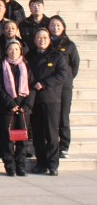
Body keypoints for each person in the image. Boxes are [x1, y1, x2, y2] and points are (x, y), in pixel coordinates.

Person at [28, 28, 69, 176]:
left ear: (49, 39)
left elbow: (62, 74)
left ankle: (53, 164)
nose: (42, 40)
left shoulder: (57, 56)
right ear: (34, 40)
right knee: (38, 134)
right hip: (34, 99)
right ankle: (41, 163)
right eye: (39, 37)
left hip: (51, 99)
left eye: (45, 37)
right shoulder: (29, 55)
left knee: (51, 133)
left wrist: (45, 83)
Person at [0, 38, 34, 177]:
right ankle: (10, 166)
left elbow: (32, 87)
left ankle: (21, 166)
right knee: (7, 138)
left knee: (22, 138)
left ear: (20, 51)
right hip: (7, 108)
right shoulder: (1, 66)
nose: (14, 52)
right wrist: (11, 104)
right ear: (6, 51)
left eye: (16, 49)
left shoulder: (26, 66)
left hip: (23, 108)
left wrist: (26, 105)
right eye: (11, 49)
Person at [47, 15, 80, 159]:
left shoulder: (69, 45)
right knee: (51, 117)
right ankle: (52, 144)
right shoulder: (45, 42)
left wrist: (67, 78)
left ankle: (64, 145)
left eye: (58, 25)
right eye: (52, 25)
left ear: (63, 27)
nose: (55, 28)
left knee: (63, 116)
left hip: (64, 85)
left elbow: (75, 64)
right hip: (50, 85)